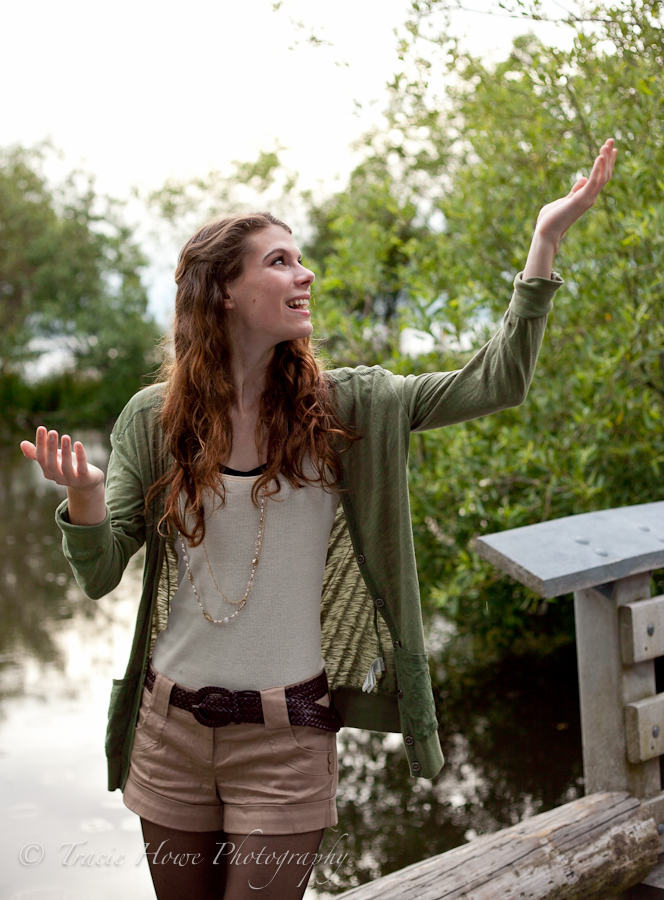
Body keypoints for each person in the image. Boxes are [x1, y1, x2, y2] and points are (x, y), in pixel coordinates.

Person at [20, 138, 617, 900]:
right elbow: (102, 575)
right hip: (167, 732)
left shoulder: (346, 407)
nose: (305, 274)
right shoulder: (154, 419)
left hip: (286, 740)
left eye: (299, 260)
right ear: (223, 292)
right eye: (279, 261)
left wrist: (546, 240)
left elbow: (496, 381)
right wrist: (86, 501)